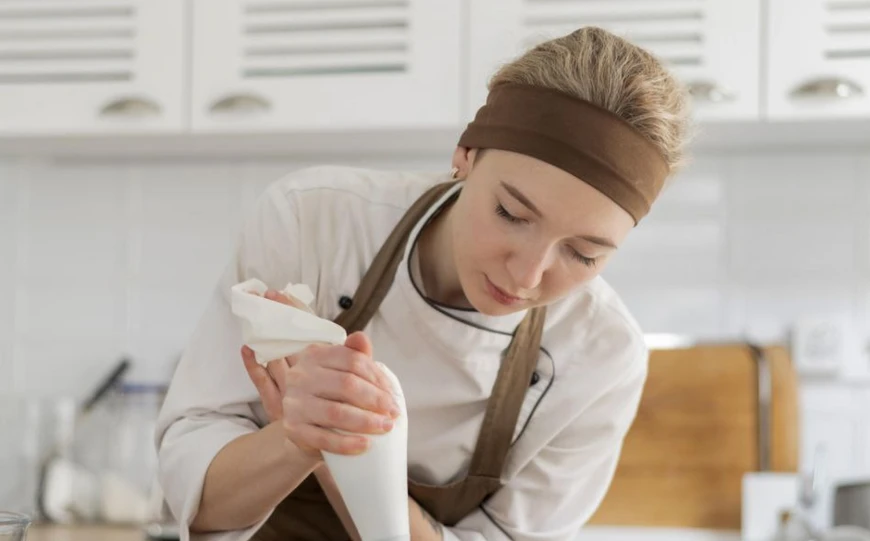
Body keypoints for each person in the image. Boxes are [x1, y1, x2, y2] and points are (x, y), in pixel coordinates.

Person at [155, 25, 691, 541]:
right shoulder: (313, 222)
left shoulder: (600, 354)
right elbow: (191, 498)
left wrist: (341, 444)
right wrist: (301, 440)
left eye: (583, 254)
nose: (527, 274)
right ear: (465, 155)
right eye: (510, 213)